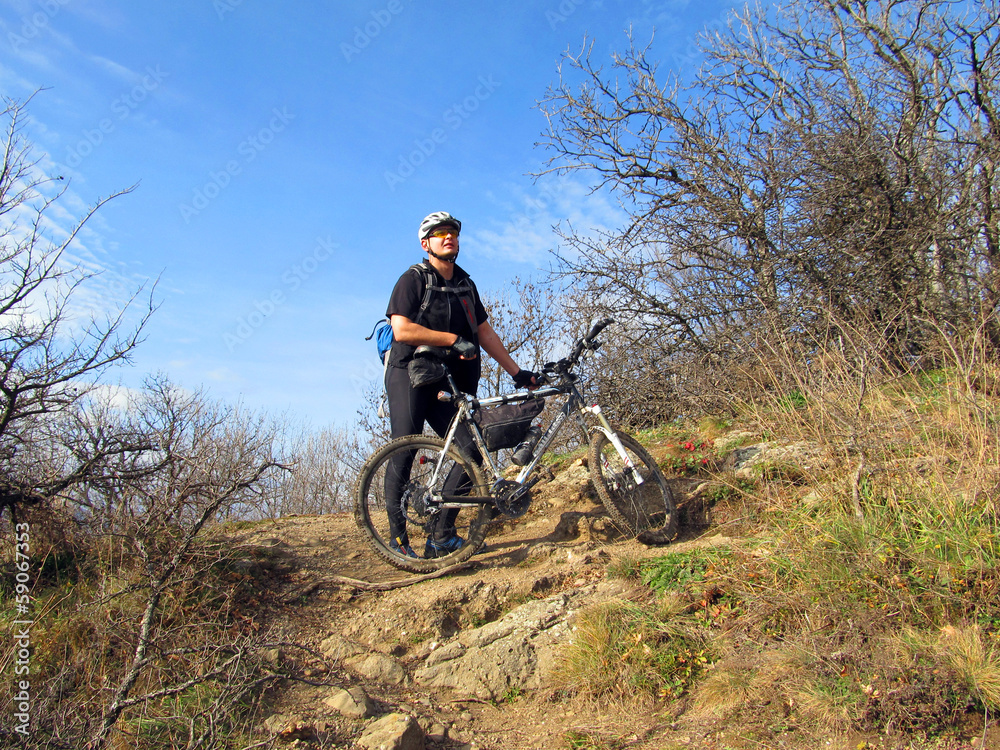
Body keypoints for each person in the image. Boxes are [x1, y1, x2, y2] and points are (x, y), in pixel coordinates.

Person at [384, 211, 538, 558]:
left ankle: (441, 535)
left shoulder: (466, 285)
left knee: (472, 446)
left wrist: (516, 372)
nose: (448, 237)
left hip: (448, 381)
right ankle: (397, 541)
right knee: (405, 448)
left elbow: (484, 332)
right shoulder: (413, 280)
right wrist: (452, 339)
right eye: (439, 233)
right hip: (410, 373)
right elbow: (402, 330)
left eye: (452, 232)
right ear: (426, 244)